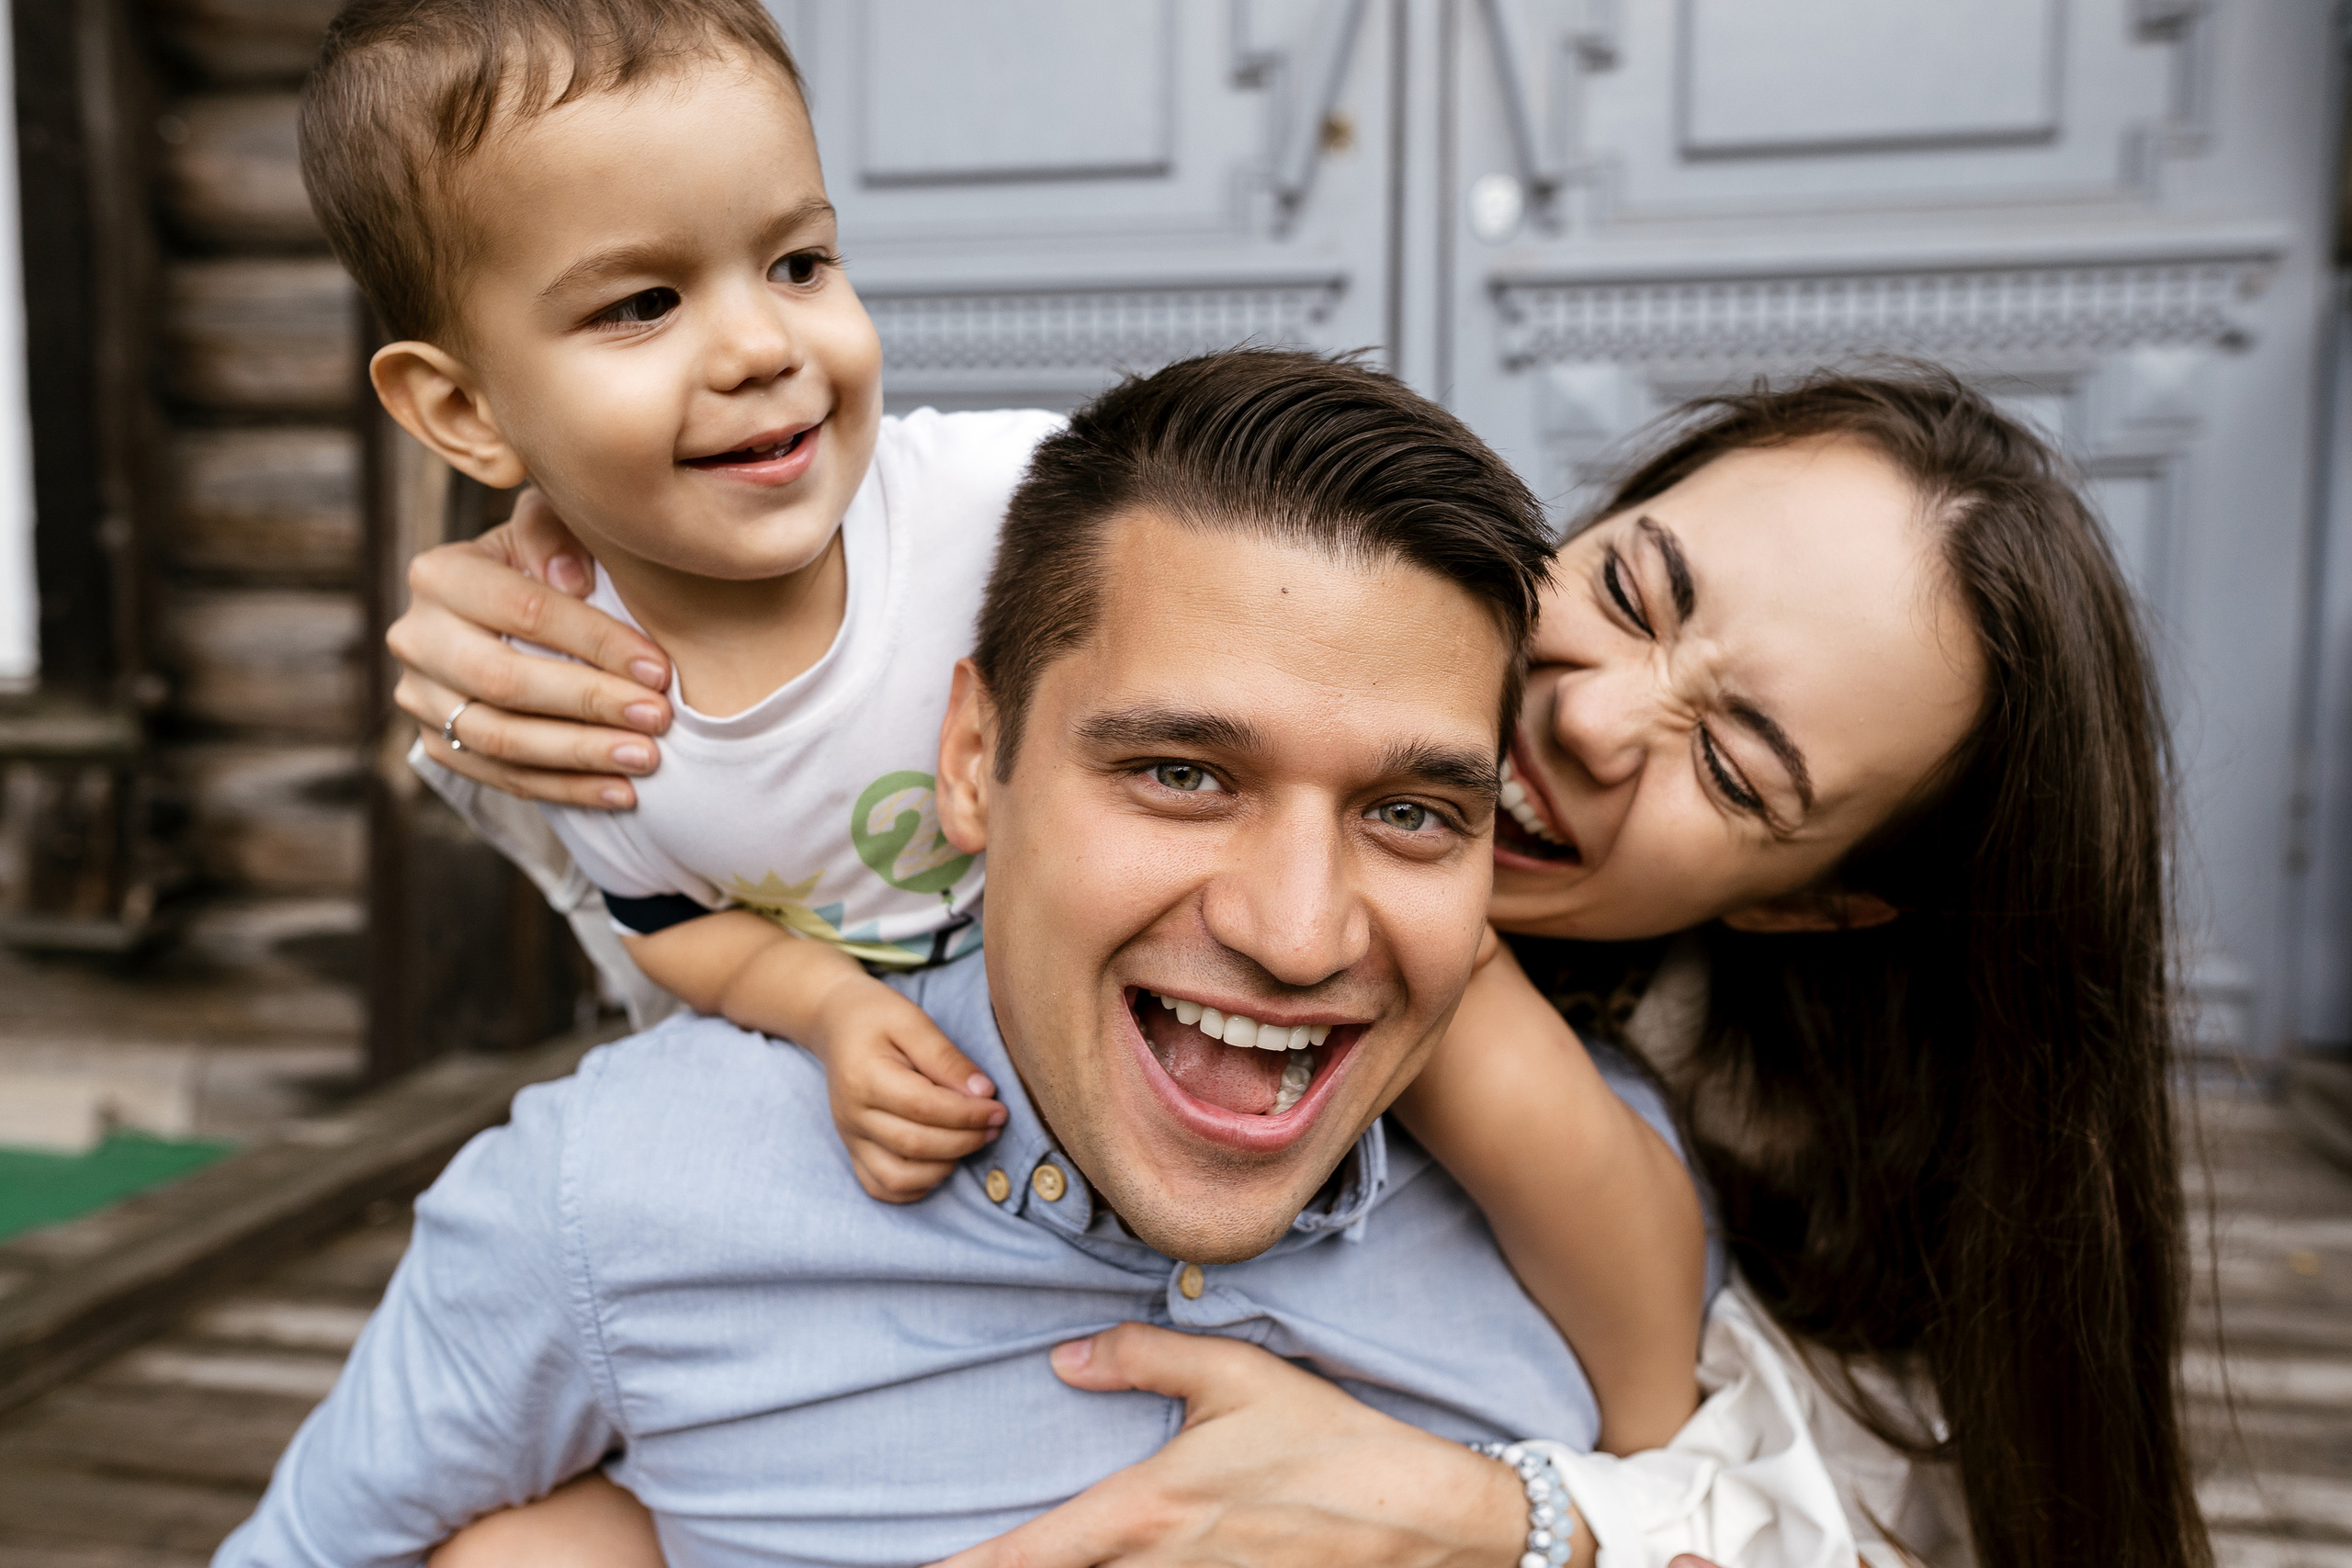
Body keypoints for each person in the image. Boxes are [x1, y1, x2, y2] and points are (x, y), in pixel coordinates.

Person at [400, 369, 2208, 1568]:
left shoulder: (1760, 1153)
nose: (1578, 715)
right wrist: (552, 629)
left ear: (1810, 905)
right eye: (1633, 590)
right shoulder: (1267, 603)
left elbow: (1799, 1497)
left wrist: (1491, 1514)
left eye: (1734, 767)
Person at [301, 0, 1708, 1466]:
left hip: (1169, 1024)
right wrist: (833, 1014)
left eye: (798, 261)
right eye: (640, 306)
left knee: (1475, 1030)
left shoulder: (988, 498)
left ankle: (1666, 1422)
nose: (761, 345)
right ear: (462, 411)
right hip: (950, 1102)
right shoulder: (570, 705)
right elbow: (663, 915)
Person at [217, 318, 1706, 1567]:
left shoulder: (1615, 1224)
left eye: (1411, 813)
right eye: (1181, 774)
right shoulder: (612, 1204)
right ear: (975, 760)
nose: (1299, 934)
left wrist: (1523, 1525)